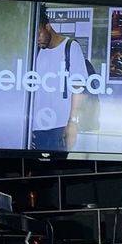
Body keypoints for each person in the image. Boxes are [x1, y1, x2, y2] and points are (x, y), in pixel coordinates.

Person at [30, 14, 86, 151]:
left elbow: (78, 88)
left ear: (48, 27)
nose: (37, 39)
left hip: (60, 126)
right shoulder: (34, 51)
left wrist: (72, 123)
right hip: (35, 126)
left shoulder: (70, 46)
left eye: (39, 33)